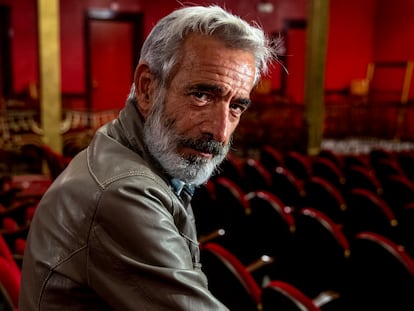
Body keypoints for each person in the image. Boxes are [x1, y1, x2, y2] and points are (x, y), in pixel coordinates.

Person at [19, 5, 279, 310]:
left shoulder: (131, 150)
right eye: (202, 95)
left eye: (236, 106)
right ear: (147, 88)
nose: (221, 131)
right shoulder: (124, 193)